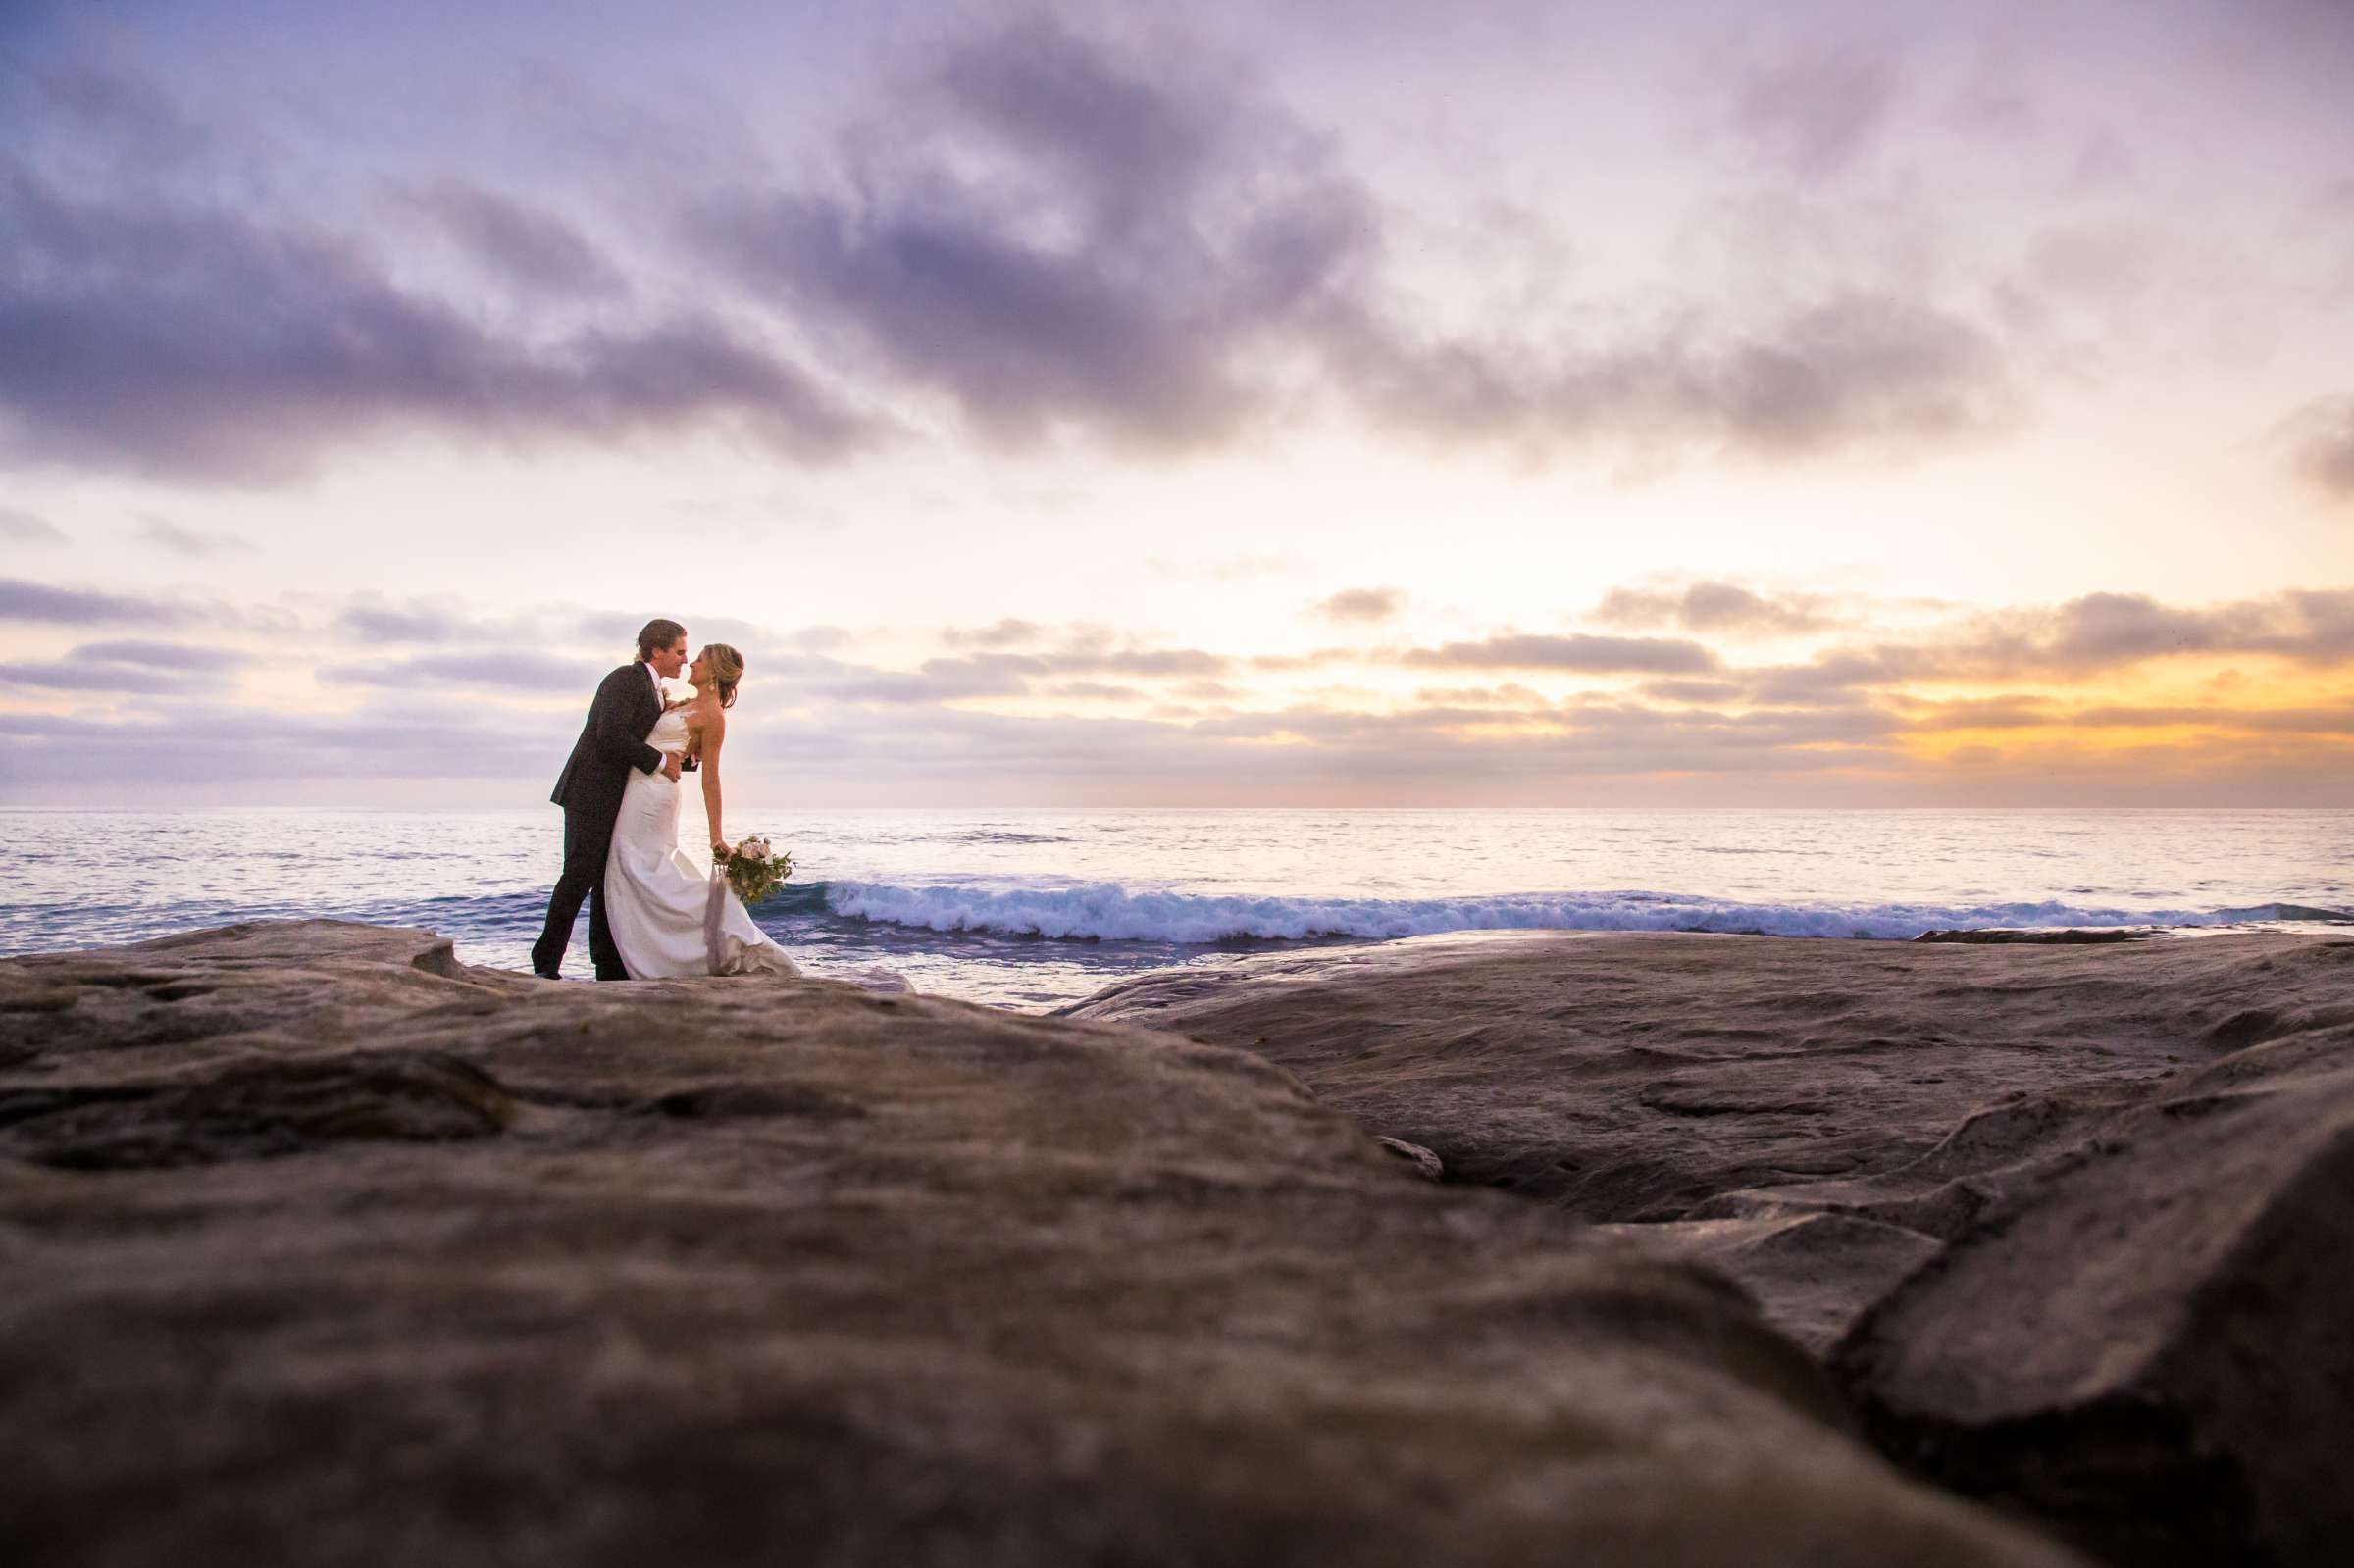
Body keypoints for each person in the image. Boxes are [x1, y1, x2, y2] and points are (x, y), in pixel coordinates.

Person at [598, 642, 799, 979]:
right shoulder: (686, 704)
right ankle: (640, 955)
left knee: (640, 868)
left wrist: (716, 835)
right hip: (638, 789)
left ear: (715, 672)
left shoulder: (713, 717)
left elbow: (711, 779)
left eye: (700, 660)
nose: (691, 664)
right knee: (637, 869)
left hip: (654, 797)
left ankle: (723, 932)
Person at [532, 619, 688, 981]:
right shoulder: (625, 679)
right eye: (679, 652)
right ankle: (545, 964)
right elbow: (610, 736)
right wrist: (662, 763)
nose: (684, 659)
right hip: (590, 792)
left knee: (607, 881)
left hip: (616, 796)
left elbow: (641, 740)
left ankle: (608, 966)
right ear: (657, 650)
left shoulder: (653, 690)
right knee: (578, 876)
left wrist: (679, 759)